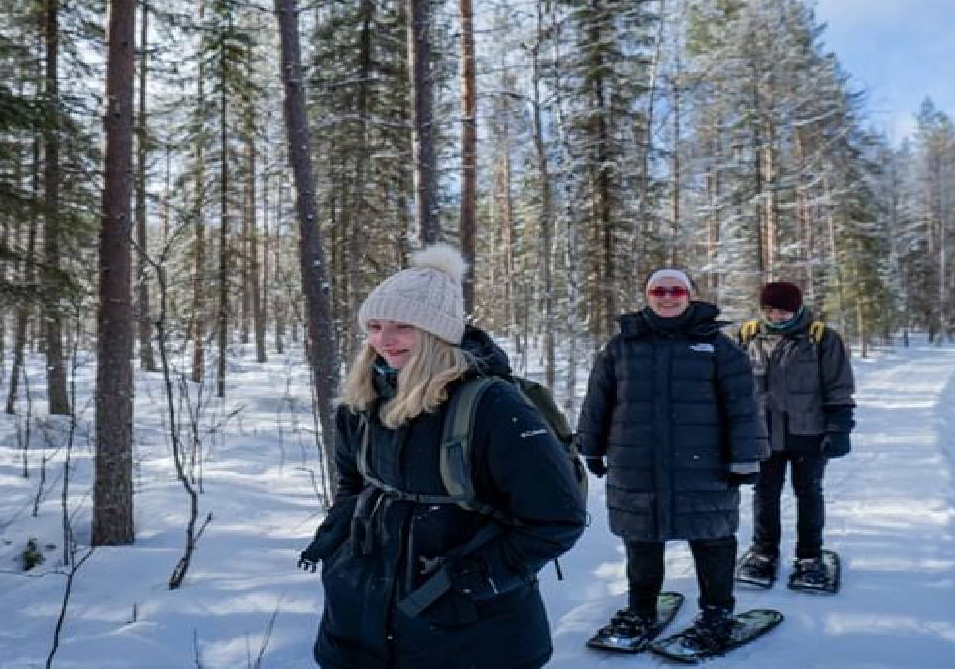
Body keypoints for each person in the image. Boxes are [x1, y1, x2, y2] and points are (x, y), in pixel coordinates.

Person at [299, 244, 587, 669]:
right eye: (375, 326)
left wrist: (467, 582)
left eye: (403, 326)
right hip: (358, 621)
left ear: (437, 333)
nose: (384, 340)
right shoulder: (360, 401)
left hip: (469, 634)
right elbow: (352, 484)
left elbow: (556, 519)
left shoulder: (493, 407)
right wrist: (339, 550)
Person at [577, 268, 768, 652]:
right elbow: (599, 401)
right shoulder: (622, 346)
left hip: (706, 465)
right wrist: (591, 446)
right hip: (637, 464)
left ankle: (717, 614)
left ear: (689, 295)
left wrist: (746, 457)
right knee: (642, 540)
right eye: (659, 290)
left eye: (676, 290)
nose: (667, 297)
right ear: (647, 296)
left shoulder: (717, 346)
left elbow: (743, 406)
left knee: (712, 538)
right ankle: (640, 611)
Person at [735, 281, 855, 590]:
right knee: (764, 494)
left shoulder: (821, 339)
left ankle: (809, 557)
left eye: (784, 309)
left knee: (809, 493)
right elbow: (730, 387)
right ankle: (763, 554)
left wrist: (839, 428)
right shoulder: (747, 337)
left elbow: (838, 385)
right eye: (770, 310)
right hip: (763, 435)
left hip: (809, 434)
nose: (777, 316)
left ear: (797, 308)